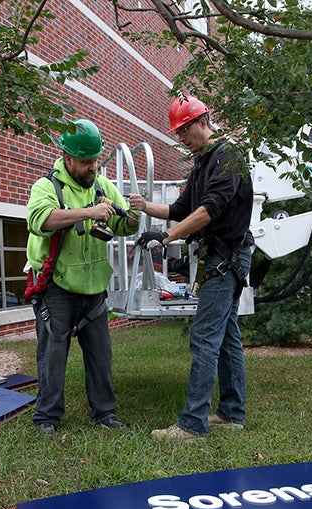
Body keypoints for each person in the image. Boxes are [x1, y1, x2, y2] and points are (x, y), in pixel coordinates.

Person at [129, 95, 254, 442]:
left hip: (226, 258)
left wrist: (167, 238)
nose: (181, 139)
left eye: (184, 131)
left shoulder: (228, 157)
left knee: (204, 336)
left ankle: (192, 425)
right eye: (178, 133)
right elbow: (181, 208)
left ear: (203, 121)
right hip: (221, 257)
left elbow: (209, 210)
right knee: (227, 335)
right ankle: (231, 414)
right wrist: (145, 208)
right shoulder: (202, 162)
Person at [25, 118, 139, 435]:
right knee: (53, 355)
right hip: (57, 285)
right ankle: (47, 417)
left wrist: (132, 214)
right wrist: (89, 212)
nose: (93, 168)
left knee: (101, 354)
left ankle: (104, 412)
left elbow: (124, 225)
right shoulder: (47, 186)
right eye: (87, 162)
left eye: (96, 161)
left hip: (94, 287)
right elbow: (41, 219)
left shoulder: (102, 186)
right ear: (68, 158)